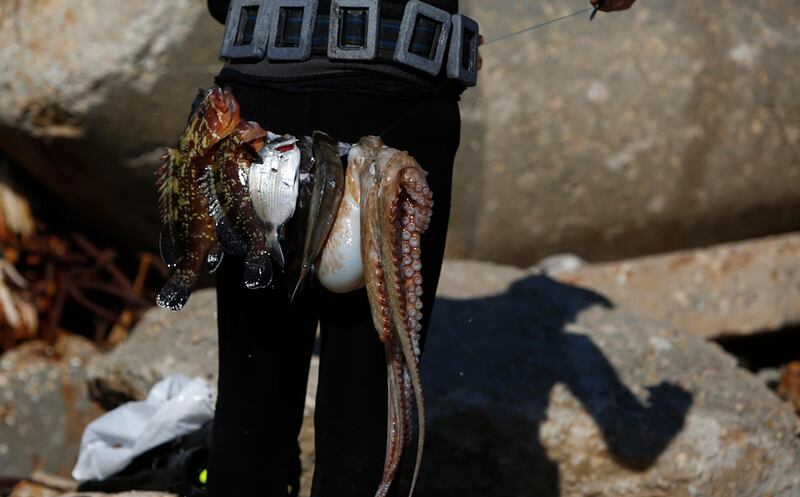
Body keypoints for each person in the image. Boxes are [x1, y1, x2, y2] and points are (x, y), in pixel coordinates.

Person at [203, 1, 636, 496]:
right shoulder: (572, 341)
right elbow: (637, 446)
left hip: (254, 92)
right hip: (392, 95)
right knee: (366, 395)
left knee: (251, 386)